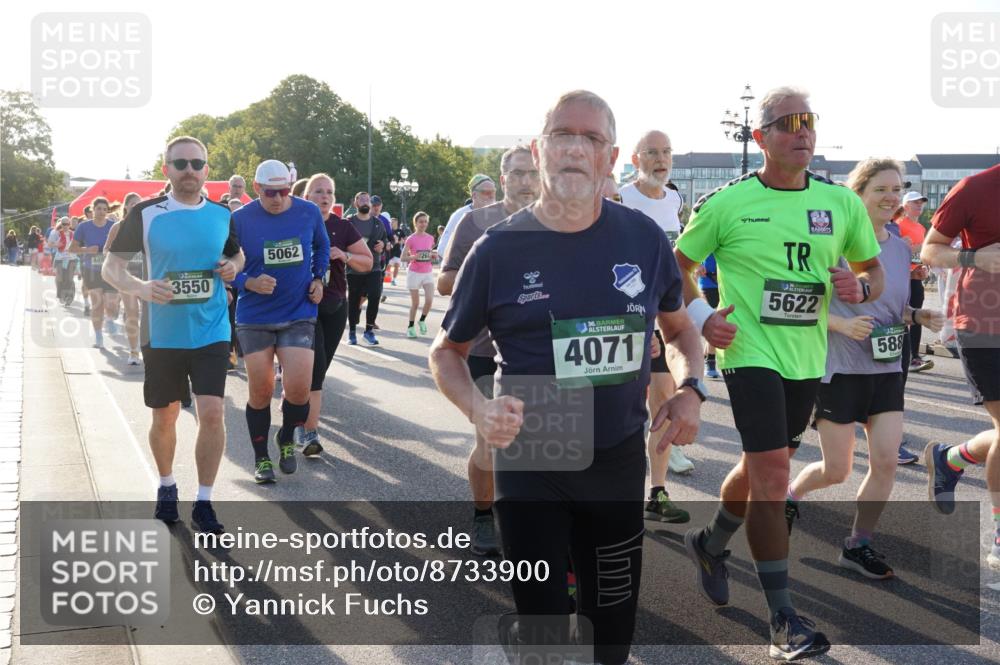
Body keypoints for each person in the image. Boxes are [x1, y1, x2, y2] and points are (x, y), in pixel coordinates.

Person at [431, 90, 704, 664]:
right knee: (546, 628)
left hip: (616, 456)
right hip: (536, 456)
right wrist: (479, 411)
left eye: (592, 138)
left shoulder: (644, 239)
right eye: (562, 135)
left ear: (611, 157)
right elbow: (447, 352)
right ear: (540, 149)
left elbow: (680, 333)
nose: (576, 149)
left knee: (612, 630)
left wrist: (689, 389)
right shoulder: (498, 248)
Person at [674, 86, 884, 661]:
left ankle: (710, 543)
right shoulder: (726, 203)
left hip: (806, 359)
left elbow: (872, 274)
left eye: (809, 121)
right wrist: (702, 316)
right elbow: (679, 267)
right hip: (749, 352)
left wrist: (860, 287)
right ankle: (783, 620)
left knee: (761, 465)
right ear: (760, 135)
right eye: (788, 122)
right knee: (771, 475)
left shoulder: (840, 204)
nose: (803, 131)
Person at [786, 159, 943, 579]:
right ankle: (791, 493)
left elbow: (890, 309)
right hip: (838, 368)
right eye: (881, 189)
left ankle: (857, 544)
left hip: (886, 367)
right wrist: (840, 323)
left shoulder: (896, 246)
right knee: (836, 469)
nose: (891, 197)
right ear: (857, 194)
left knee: (887, 462)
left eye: (896, 189)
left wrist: (916, 316)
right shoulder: (831, 244)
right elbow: (799, 306)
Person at [103, 135, 244, 534]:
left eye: (197, 164)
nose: (189, 171)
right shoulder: (146, 214)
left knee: (212, 412)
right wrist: (141, 288)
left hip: (212, 328)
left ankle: (204, 500)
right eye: (180, 164)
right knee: (164, 416)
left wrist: (233, 265)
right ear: (165, 169)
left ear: (207, 170)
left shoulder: (221, 215)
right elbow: (110, 269)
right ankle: (167, 486)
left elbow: (238, 254)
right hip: (163, 333)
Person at [438, 144, 541, 558]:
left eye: (533, 173)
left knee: (544, 446)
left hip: (536, 349)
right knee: (489, 442)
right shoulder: (475, 222)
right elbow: (445, 283)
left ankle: (536, 525)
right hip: (481, 347)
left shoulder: (557, 220)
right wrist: (485, 269)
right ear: (503, 178)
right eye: (517, 174)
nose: (526, 182)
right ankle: (483, 515)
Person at [921, 162, 1000, 569]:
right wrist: (975, 257)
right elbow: (930, 249)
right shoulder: (975, 187)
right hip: (985, 323)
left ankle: (950, 459)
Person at [231, 160, 330, 483]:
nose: (277, 198)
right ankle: (261, 459)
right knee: (260, 391)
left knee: (299, 391)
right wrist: (248, 281)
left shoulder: (307, 212)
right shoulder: (239, 220)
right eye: (270, 192)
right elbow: (220, 262)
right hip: (255, 316)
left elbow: (322, 246)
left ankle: (286, 437)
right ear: (256, 188)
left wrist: (318, 279)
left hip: (298, 312)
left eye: (284, 191)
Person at [619, 130, 695, 520]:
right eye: (652, 152)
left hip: (664, 319)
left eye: (666, 152)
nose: (660, 159)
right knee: (616, 410)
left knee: (663, 406)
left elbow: (675, 265)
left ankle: (657, 492)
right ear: (636, 159)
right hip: (625, 321)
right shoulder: (619, 199)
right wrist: (638, 323)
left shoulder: (674, 200)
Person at [298, 173, 371, 456]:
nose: (325, 196)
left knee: (319, 372)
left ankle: (294, 407)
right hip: (302, 308)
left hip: (335, 306)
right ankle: (308, 433)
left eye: (329, 191)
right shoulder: (296, 224)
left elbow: (367, 262)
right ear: (306, 197)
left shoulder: (342, 227)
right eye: (318, 191)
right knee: (313, 374)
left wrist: (345, 255)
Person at [70, 197, 116, 347]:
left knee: (111, 304)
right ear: (93, 209)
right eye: (99, 209)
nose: (102, 212)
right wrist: (87, 250)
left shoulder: (114, 226)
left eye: (104, 209)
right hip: (91, 269)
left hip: (110, 269)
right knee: (97, 304)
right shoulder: (84, 227)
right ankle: (98, 338)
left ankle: (109, 318)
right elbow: (72, 248)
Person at [104, 192, 144, 363]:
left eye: (139, 204)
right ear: (126, 206)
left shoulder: (147, 225)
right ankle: (134, 351)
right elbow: (106, 249)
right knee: (132, 312)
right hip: (126, 276)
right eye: (133, 204)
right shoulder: (118, 227)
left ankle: (152, 349)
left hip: (145, 274)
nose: (136, 207)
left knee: (151, 314)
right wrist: (117, 258)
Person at [345, 192, 388, 345]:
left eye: (367, 200)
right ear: (355, 203)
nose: (364, 202)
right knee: (354, 299)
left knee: (375, 294)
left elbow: (385, 240)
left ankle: (369, 330)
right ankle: (351, 332)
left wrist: (382, 245)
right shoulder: (348, 222)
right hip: (354, 267)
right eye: (361, 199)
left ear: (370, 204)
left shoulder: (377, 223)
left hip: (374, 266)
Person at [897, 191, 933, 372]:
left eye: (921, 203)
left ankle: (915, 356)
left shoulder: (921, 229)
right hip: (902, 278)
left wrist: (923, 265)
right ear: (905, 206)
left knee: (917, 316)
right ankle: (904, 356)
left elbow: (919, 255)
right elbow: (895, 251)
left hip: (916, 277)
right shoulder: (898, 225)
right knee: (903, 317)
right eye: (915, 202)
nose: (919, 205)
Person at [437, 175, 497, 259]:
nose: (491, 196)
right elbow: (442, 250)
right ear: (474, 195)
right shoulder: (459, 216)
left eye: (493, 192)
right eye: (486, 192)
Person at [402, 212, 437, 338]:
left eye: (425, 221)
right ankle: (410, 327)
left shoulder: (430, 238)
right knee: (415, 304)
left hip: (427, 272)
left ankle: (421, 320)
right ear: (415, 223)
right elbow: (403, 257)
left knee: (429, 300)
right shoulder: (411, 239)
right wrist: (413, 257)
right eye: (421, 221)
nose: (423, 224)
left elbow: (430, 255)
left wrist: (433, 256)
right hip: (414, 273)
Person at [698, 254, 722, 379]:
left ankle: (705, 356)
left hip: (726, 282)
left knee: (721, 320)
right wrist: (696, 264)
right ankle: (710, 362)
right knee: (715, 321)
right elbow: (684, 246)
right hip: (708, 282)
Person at [47, 218, 76, 305]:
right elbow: (49, 244)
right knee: (60, 278)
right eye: (64, 224)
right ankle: (61, 295)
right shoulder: (55, 233)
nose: (65, 226)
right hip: (60, 258)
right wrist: (57, 244)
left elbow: (78, 244)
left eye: (67, 224)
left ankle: (68, 297)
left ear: (69, 224)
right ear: (61, 224)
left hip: (71, 258)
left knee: (69, 278)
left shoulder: (73, 234)